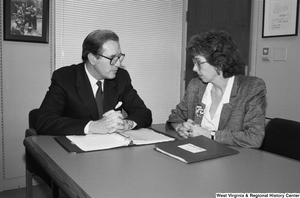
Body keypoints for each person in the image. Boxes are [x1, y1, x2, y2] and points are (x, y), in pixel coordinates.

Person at [36, 29, 152, 135]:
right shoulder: (65, 77)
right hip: (75, 152)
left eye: (119, 57)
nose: (118, 64)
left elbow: (144, 113)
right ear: (92, 58)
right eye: (112, 58)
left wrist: (126, 124)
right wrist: (93, 126)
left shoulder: (121, 77)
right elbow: (44, 121)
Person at [166, 30, 266, 148]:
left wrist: (209, 135)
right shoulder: (196, 86)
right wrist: (180, 127)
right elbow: (175, 117)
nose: (194, 68)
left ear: (219, 62)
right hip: (197, 156)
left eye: (198, 62)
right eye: (194, 62)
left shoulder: (251, 88)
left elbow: (254, 138)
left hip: (233, 161)